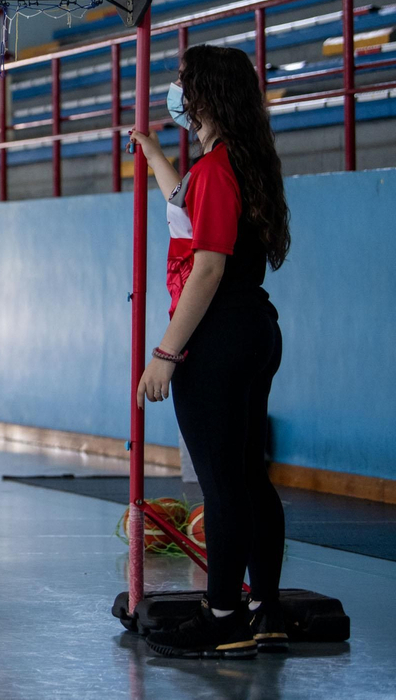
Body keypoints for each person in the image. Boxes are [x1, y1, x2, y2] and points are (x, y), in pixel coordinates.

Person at [127, 45, 292, 659]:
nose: (177, 93)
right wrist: (152, 154)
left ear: (206, 96)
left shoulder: (221, 167)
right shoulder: (241, 162)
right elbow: (188, 211)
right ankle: (265, 609)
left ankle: (224, 617)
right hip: (254, 328)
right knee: (250, 476)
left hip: (216, 335)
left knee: (222, 484)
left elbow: (207, 267)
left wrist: (166, 355)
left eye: (183, 84)